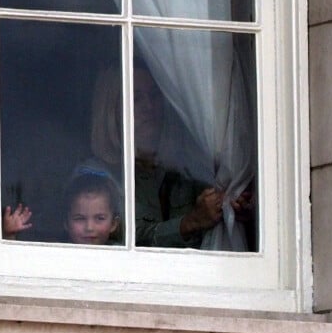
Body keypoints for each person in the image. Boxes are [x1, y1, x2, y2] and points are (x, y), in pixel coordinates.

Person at [79, 60, 224, 248]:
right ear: (112, 110)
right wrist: (189, 223)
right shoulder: (93, 175)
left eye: (155, 96)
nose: (149, 106)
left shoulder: (184, 169)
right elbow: (122, 238)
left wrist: (229, 204)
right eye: (136, 99)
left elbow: (212, 205)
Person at [63, 172, 121, 245]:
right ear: (66, 223)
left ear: (113, 224)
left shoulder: (121, 254)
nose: (89, 227)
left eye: (100, 218)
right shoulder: (56, 254)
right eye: (80, 218)